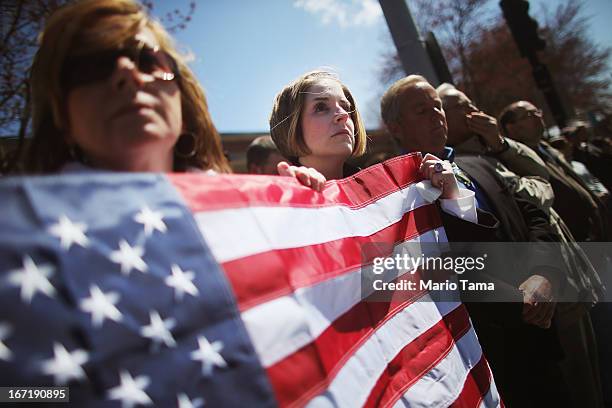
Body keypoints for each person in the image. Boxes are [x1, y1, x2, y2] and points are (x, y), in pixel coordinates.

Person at [381, 75, 572, 408]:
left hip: (542, 336)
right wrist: (517, 300)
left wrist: (545, 274)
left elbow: (535, 218)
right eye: (421, 110)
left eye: (437, 106)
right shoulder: (397, 199)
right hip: (490, 356)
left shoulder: (482, 164)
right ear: (396, 127)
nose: (436, 115)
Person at [439, 86, 605, 408]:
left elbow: (542, 180)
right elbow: (537, 195)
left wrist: (501, 144)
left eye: (471, 101)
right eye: (462, 106)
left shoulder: (492, 150)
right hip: (542, 303)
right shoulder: (462, 165)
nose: (474, 109)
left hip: (566, 273)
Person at [499, 101, 607, 243]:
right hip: (578, 240)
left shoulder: (548, 150)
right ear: (511, 127)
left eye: (538, 112)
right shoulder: (516, 162)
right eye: (529, 115)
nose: (538, 116)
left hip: (597, 232)